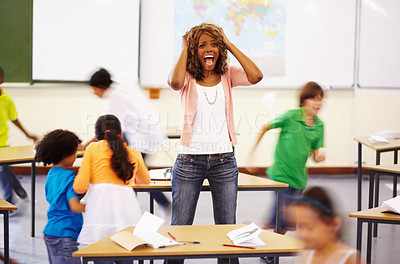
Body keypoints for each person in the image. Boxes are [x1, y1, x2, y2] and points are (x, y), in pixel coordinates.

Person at [167, 22, 263, 264]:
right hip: (189, 161)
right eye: (201, 45)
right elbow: (174, 81)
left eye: (213, 44)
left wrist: (228, 44)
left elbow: (256, 76)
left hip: (224, 162)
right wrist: (185, 46)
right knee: (180, 230)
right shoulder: (187, 77)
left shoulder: (227, 75)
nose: (208, 49)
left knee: (227, 230)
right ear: (193, 50)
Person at [87, 68, 170, 213]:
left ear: (102, 87)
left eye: (94, 89)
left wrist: (86, 145)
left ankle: (135, 208)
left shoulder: (112, 98)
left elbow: (104, 128)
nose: (94, 93)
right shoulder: (121, 84)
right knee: (135, 170)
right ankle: (159, 204)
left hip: (144, 134)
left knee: (132, 171)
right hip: (141, 130)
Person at [248, 81, 326, 235]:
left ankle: (270, 251)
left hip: (299, 179)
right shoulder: (291, 116)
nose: (318, 103)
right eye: (314, 99)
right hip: (281, 175)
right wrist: (252, 154)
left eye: (321, 99)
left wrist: (319, 158)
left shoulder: (319, 126)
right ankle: (253, 233)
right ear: (304, 101)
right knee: (278, 217)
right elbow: (265, 127)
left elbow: (315, 155)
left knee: (288, 222)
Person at [73, 114, 150, 264]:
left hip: (100, 210)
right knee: (127, 253)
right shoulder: (133, 152)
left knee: (101, 255)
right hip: (127, 209)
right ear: (121, 133)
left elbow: (80, 186)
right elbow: (145, 182)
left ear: (97, 136)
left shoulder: (93, 149)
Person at [34, 129, 85, 264]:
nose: (76, 156)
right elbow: (75, 206)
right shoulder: (70, 177)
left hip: (51, 231)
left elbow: (59, 198)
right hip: (65, 235)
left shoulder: (52, 174)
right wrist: (95, 205)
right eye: (75, 152)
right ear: (66, 153)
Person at [291, 186, 363, 264]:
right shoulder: (307, 254)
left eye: (310, 227)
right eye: (300, 226)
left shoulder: (349, 259)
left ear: (333, 224)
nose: (303, 234)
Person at [0, 66, 38, 208]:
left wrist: (27, 134)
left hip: (2, 142)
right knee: (4, 169)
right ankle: (18, 188)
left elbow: (14, 118)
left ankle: (9, 202)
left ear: (2, 80)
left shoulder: (6, 99)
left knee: (2, 170)